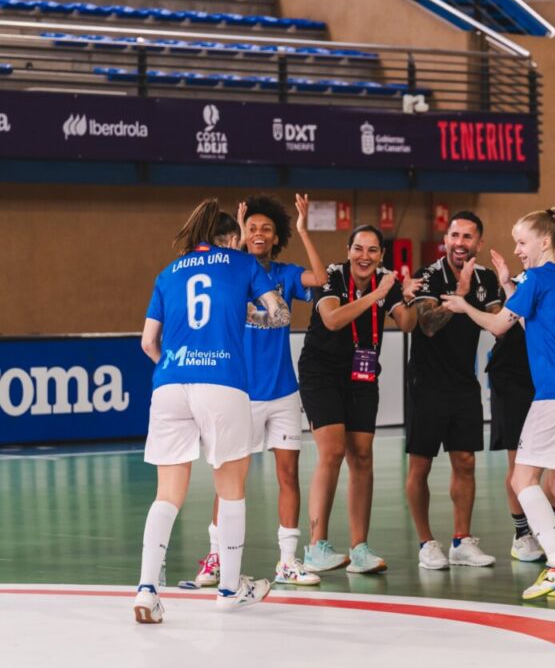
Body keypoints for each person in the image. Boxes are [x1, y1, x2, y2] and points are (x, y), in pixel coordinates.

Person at [134, 199, 290, 623]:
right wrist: (250, 314)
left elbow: (148, 342)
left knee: (167, 493)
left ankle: (146, 590)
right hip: (222, 382)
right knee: (231, 487)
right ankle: (229, 589)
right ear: (232, 239)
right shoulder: (244, 264)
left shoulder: (168, 272)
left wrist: (176, 367)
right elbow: (280, 314)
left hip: (169, 383)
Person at [443, 207, 555, 599]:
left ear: (544, 241)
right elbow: (536, 319)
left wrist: (465, 306)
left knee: (522, 479)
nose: (517, 250)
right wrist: (507, 285)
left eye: (521, 242)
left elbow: (500, 325)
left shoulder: (536, 276)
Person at [193, 194, 328, 588]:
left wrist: (304, 230)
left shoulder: (285, 274)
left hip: (282, 391)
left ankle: (287, 561)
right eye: (251, 227)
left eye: (266, 228)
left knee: (288, 474)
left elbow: (320, 279)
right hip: (241, 393)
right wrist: (235, 239)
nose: (258, 233)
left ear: (276, 237)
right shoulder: (231, 274)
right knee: (230, 477)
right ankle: (216, 557)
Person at [298, 225, 420, 574]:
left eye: (372, 250)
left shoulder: (387, 281)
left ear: (381, 254)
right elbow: (333, 319)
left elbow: (407, 324)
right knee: (333, 451)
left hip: (362, 376)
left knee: (362, 455)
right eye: (359, 249)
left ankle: (359, 548)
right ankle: (316, 546)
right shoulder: (332, 276)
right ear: (348, 250)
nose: (365, 256)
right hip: (321, 373)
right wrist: (376, 294)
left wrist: (408, 297)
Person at [406, 211, 502, 570]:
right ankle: (426, 543)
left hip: (464, 383)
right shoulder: (428, 275)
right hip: (426, 383)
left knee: (465, 461)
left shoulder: (486, 278)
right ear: (445, 240)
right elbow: (427, 325)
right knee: (420, 465)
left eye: (467, 237)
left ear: (479, 243)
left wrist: (510, 288)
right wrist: (459, 295)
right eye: (454, 235)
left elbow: (500, 321)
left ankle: (461, 541)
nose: (460, 243)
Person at [485, 289, 545, 562]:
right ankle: (522, 534)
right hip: (510, 378)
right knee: (518, 461)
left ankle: (547, 529)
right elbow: (498, 326)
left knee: (551, 463)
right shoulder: (518, 285)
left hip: (543, 376)